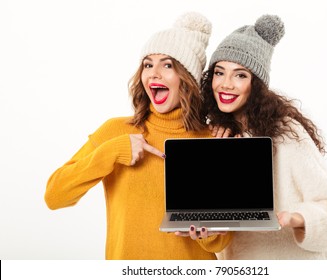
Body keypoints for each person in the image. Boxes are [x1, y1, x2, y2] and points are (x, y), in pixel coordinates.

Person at [45, 12, 231, 260]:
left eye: (167, 65)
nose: (153, 73)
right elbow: (55, 196)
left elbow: (221, 242)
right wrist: (112, 152)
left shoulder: (213, 140)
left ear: (187, 80)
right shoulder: (116, 131)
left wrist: (205, 232)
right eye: (147, 64)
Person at [201, 14, 327, 259]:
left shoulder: (286, 134)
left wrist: (297, 218)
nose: (226, 84)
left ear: (257, 83)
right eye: (219, 73)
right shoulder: (217, 135)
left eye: (240, 75)